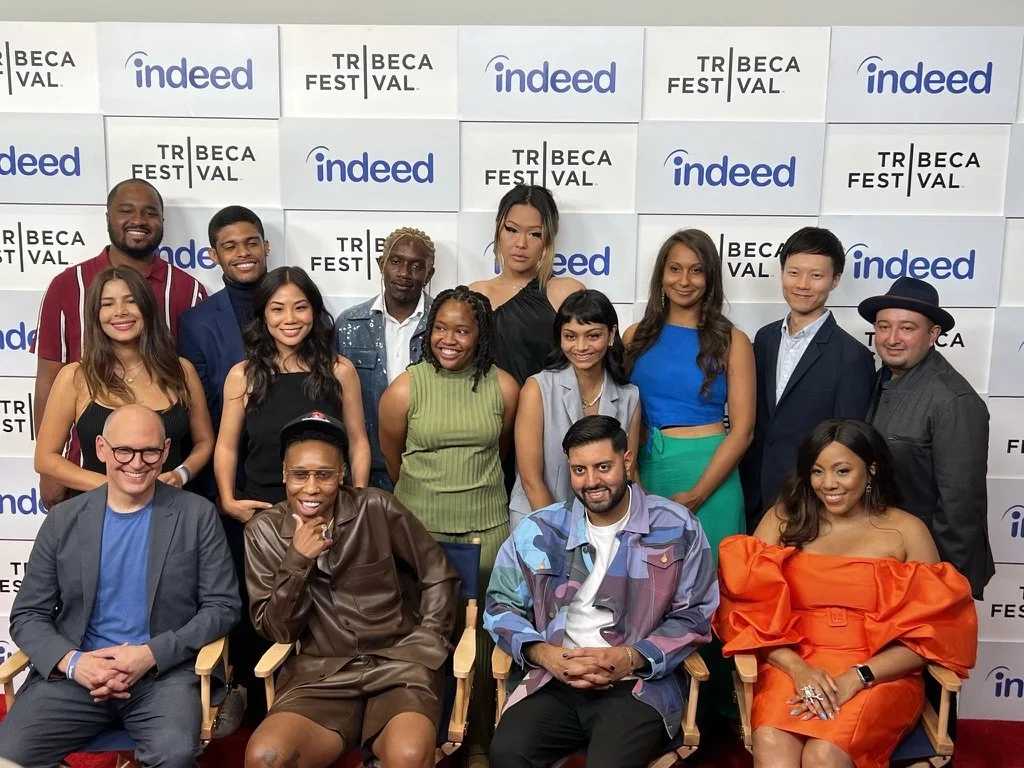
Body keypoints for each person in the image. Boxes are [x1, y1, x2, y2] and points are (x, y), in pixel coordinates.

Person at [715, 419, 978, 768]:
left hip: (878, 672)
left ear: (870, 470)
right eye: (817, 471)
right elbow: (745, 611)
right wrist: (798, 668)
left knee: (823, 754)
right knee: (771, 742)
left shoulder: (906, 531)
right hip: (793, 663)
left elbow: (931, 634)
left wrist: (859, 676)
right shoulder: (783, 520)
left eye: (842, 471)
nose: (828, 484)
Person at [0, 404, 240, 768]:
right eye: (124, 450)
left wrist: (151, 654)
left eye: (149, 452)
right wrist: (74, 662)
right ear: (101, 449)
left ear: (165, 451)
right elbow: (28, 615)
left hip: (164, 676)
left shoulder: (196, 514)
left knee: (173, 756)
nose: (137, 463)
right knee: (8, 755)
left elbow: (222, 607)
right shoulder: (64, 519)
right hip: (78, 676)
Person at [486, 415, 719, 768]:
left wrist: (630, 657)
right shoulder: (541, 528)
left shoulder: (676, 526)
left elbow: (696, 614)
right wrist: (545, 655)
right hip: (552, 679)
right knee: (507, 754)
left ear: (626, 462)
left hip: (635, 685)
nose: (591, 481)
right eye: (579, 470)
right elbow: (499, 605)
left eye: (603, 467)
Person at [244, 411, 459, 768]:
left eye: (324, 475)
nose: (311, 488)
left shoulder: (376, 506)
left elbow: (438, 574)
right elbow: (277, 629)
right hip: (319, 676)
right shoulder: (262, 533)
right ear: (284, 473)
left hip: (398, 666)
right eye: (299, 475)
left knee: (409, 756)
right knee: (266, 757)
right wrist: (297, 560)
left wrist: (428, 642)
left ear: (342, 474)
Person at [378, 285, 520, 764]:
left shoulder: (504, 387)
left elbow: (500, 454)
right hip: (419, 533)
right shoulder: (405, 387)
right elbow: (393, 458)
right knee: (422, 635)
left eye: (462, 329)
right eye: (440, 328)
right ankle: (421, 739)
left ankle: (478, 740)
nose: (449, 339)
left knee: (482, 638)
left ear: (480, 336)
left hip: (487, 531)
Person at [624, 228, 753, 718]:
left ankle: (717, 712)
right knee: (648, 590)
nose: (685, 279)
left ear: (711, 278)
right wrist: (632, 481)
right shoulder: (635, 336)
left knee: (711, 590)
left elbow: (742, 431)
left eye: (696, 270)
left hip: (710, 475)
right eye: (674, 268)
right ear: (660, 275)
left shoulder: (731, 340)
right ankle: (654, 708)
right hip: (647, 472)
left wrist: (698, 493)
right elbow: (625, 410)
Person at [32, 178, 207, 509]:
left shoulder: (189, 291)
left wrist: (180, 474)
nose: (138, 220)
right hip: (85, 487)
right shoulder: (66, 286)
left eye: (149, 212)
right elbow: (46, 381)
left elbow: (202, 432)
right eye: (126, 210)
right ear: (108, 217)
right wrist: (56, 475)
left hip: (173, 505)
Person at [177, 204, 273, 731]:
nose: (243, 253)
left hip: (289, 473)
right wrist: (220, 486)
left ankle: (292, 687)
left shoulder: (293, 304)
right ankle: (242, 689)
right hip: (228, 476)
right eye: (231, 246)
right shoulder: (196, 322)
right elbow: (200, 409)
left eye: (251, 242)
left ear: (265, 247)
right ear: (214, 255)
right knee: (235, 585)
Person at [859, 277, 994, 599]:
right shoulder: (875, 382)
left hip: (929, 566)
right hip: (884, 559)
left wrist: (944, 583)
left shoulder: (954, 400)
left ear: (933, 335)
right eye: (883, 327)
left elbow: (960, 506)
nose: (892, 339)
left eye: (907, 328)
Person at [740, 227, 875, 534]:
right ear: (782, 273)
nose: (802, 284)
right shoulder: (763, 339)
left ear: (835, 280)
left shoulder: (853, 357)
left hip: (809, 504)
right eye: (794, 273)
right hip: (751, 494)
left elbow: (847, 449)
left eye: (816, 276)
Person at [34, 267, 214, 496]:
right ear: (95, 314)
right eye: (107, 304)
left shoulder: (181, 371)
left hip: (170, 510)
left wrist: (181, 474)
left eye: (131, 301)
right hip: (98, 511)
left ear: (147, 308)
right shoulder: (75, 376)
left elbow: (205, 442)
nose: (120, 312)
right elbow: (45, 458)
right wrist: (112, 487)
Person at [215, 266, 371, 521]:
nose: (290, 318)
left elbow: (357, 441)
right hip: (263, 513)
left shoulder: (340, 370)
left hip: (329, 510)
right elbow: (226, 446)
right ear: (263, 315)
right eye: (277, 309)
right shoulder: (242, 375)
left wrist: (359, 496)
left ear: (314, 311)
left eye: (300, 307)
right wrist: (229, 500)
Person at [510, 289, 641, 530]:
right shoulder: (537, 388)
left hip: (605, 526)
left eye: (592, 336)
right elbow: (530, 479)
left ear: (611, 335)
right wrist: (563, 535)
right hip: (538, 521)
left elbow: (629, 473)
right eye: (570, 336)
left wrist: (635, 528)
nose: (581, 347)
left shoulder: (629, 395)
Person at [335, 227, 436, 492]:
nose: (404, 273)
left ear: (429, 275)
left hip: (432, 472)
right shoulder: (349, 323)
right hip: (366, 473)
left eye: (417, 266)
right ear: (381, 265)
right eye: (396, 262)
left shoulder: (444, 325)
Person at [469, 185, 585, 386]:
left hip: (551, 413)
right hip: (485, 413)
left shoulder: (567, 292)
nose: (521, 243)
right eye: (511, 230)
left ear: (549, 237)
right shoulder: (475, 294)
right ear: (498, 228)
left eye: (535, 234)